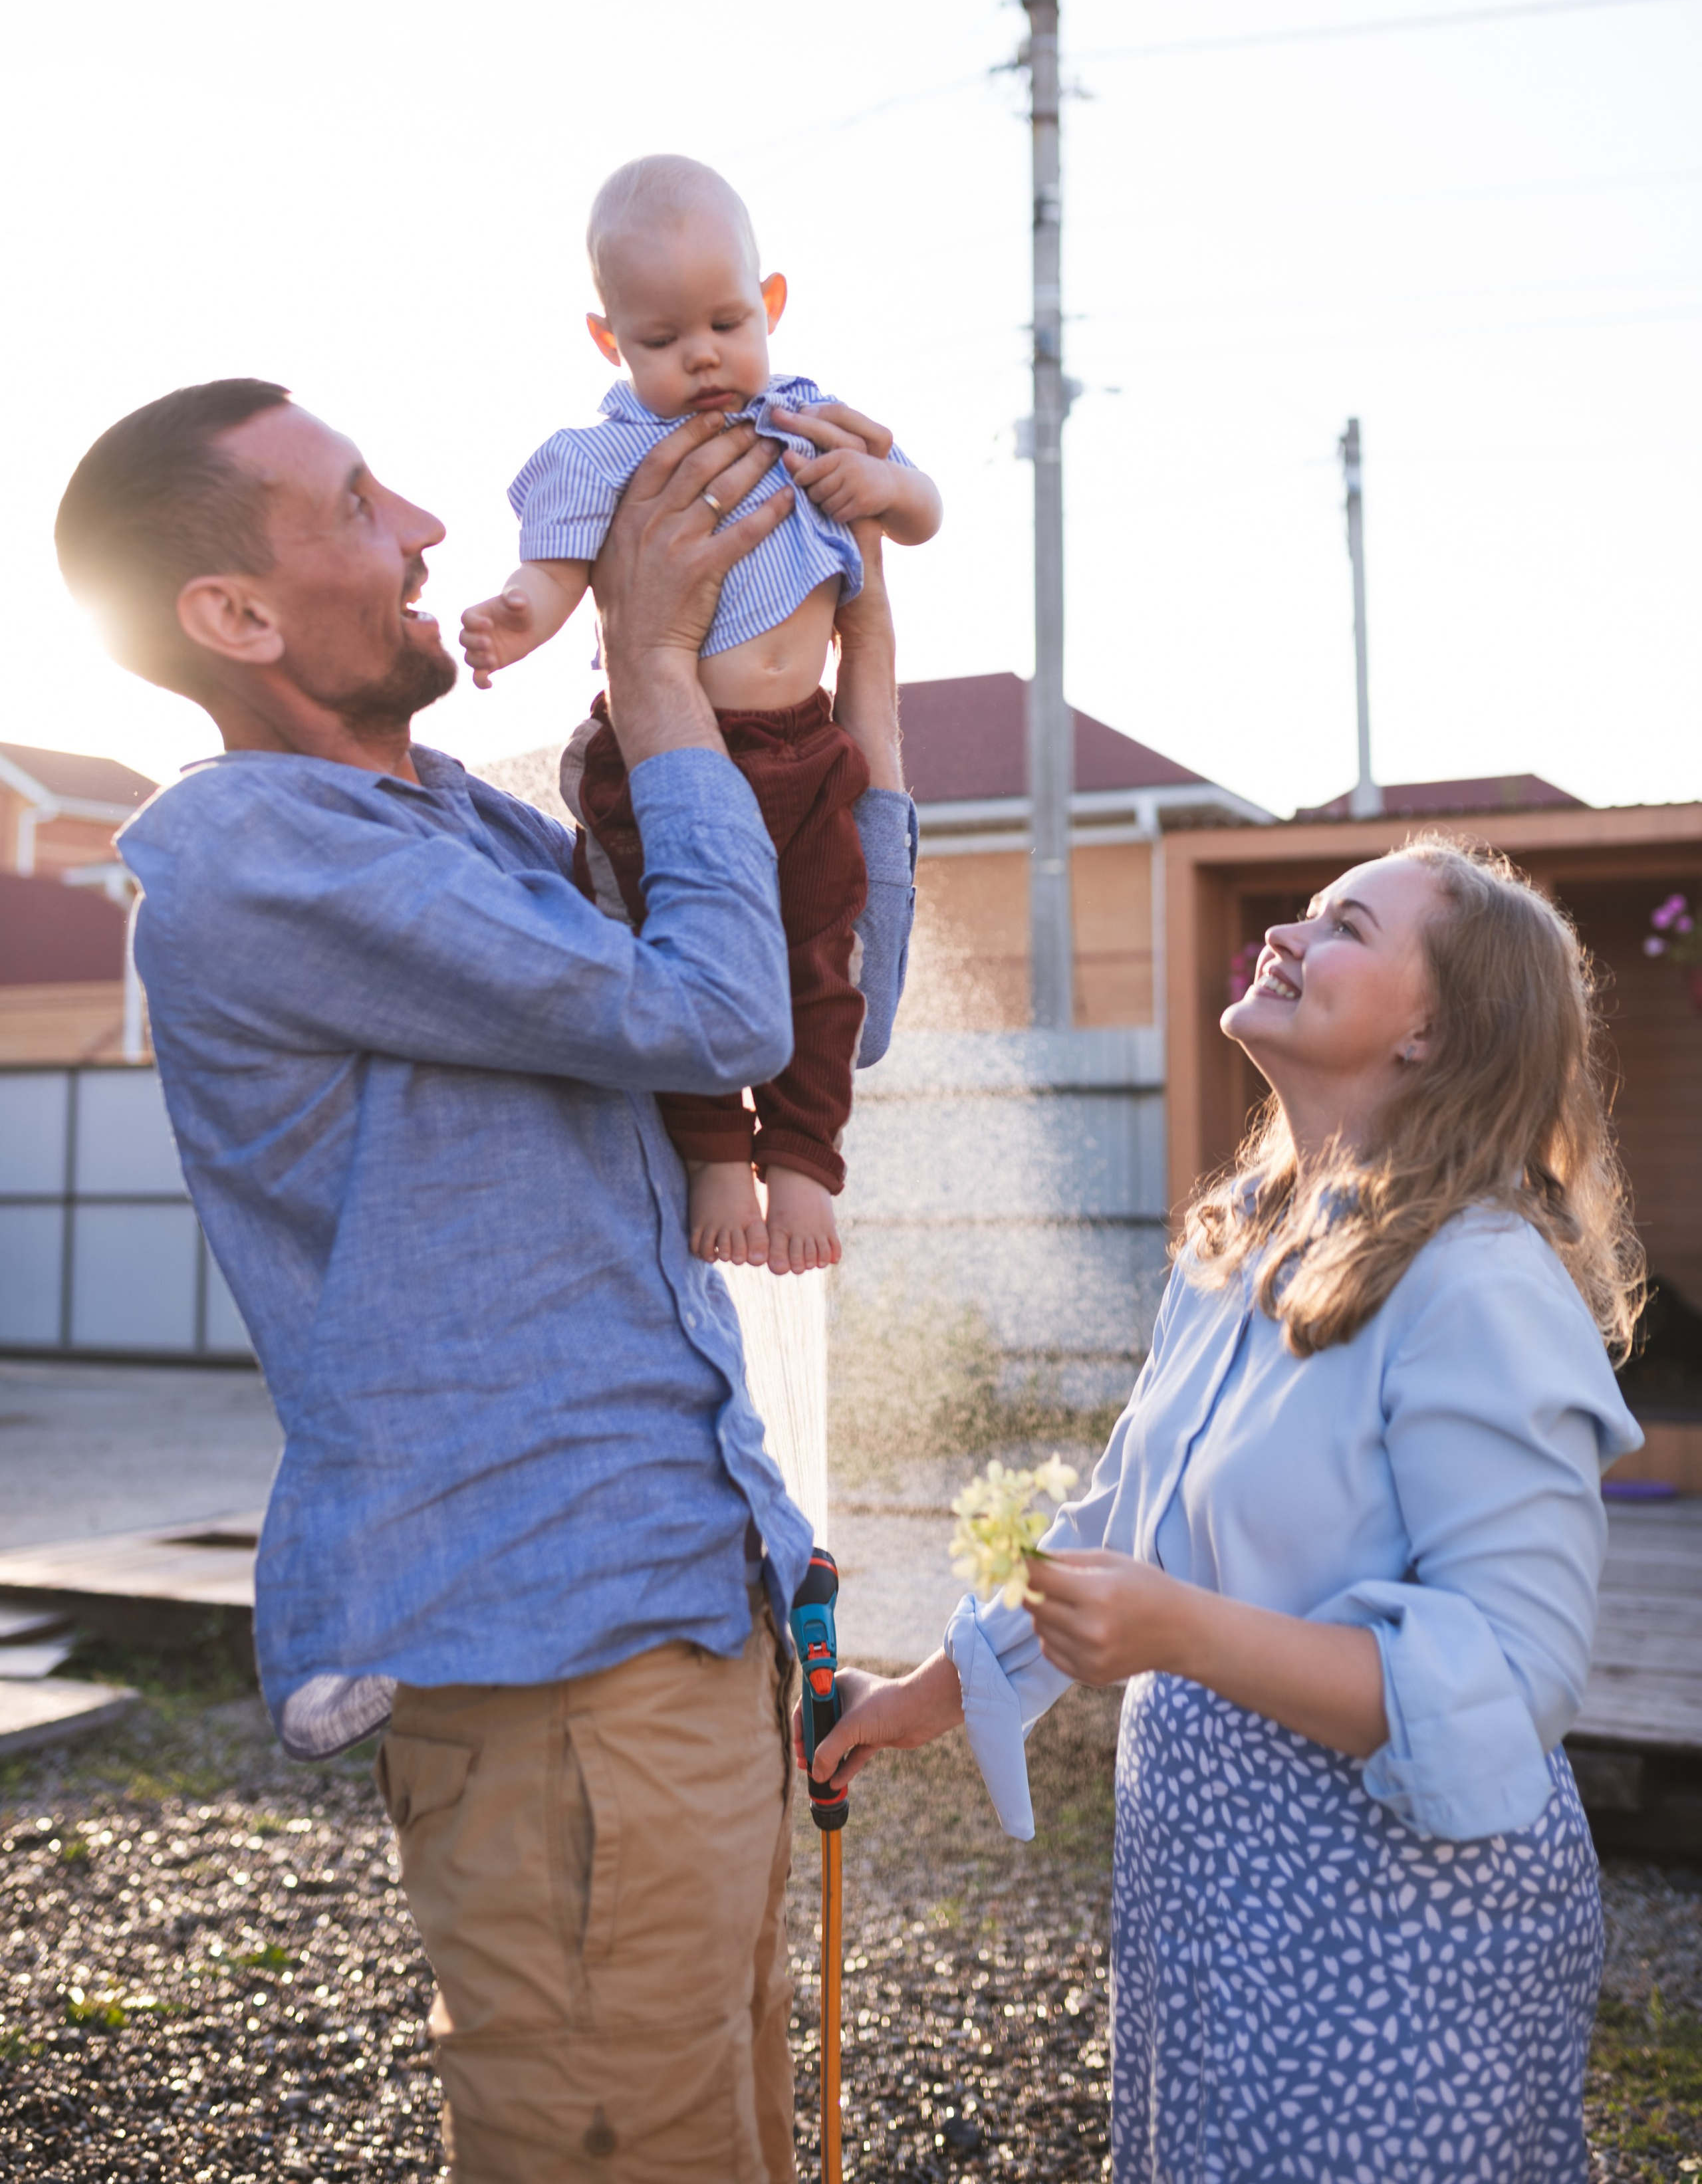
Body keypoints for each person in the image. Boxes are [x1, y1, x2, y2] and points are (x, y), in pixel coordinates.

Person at [54, 376, 918, 2184]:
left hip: (678, 1611)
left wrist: (836, 692)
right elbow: (711, 1009)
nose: (435, 532)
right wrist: (664, 669)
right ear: (237, 616)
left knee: (722, 2140)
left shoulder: (476, 831)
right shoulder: (258, 861)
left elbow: (815, 999)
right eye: (361, 505)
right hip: (557, 1664)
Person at [809, 837, 1643, 2183]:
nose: (1288, 937)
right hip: (1211, 1894)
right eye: (1304, 915)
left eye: (1346, 929)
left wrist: (1181, 1636)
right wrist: (920, 1697)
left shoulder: (1479, 1279)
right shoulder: (1244, 1241)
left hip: (1398, 1933)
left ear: (1434, 1028)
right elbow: (1122, 1528)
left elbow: (1512, 1675)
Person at [459, 154, 943, 1277]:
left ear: (771, 305)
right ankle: (719, 1148)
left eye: (728, 322)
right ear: (608, 342)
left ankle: (808, 1159)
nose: (704, 356)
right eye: (663, 340)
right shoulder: (609, 457)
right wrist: (509, 620)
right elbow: (555, 577)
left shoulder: (813, 423)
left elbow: (922, 506)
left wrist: (884, 490)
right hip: (670, 756)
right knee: (666, 952)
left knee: (821, 956)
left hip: (811, 750)